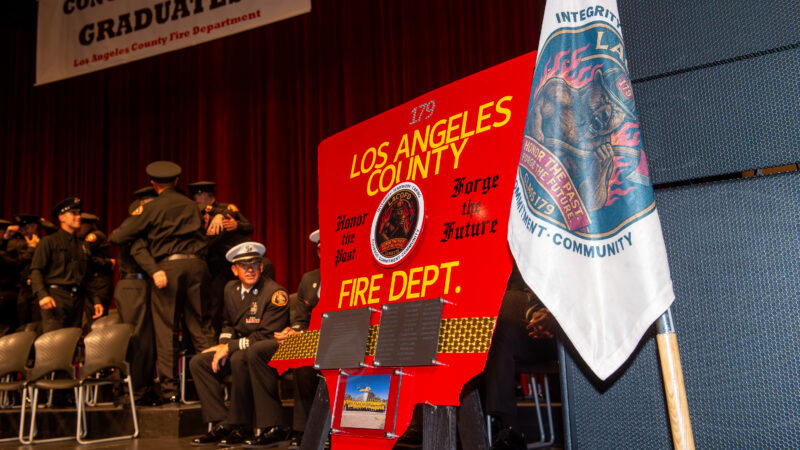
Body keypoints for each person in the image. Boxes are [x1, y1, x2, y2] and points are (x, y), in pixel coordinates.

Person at [109, 161, 215, 403]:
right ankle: (211, 385)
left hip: (169, 268)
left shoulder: (152, 207)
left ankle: (170, 390)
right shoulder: (192, 206)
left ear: (154, 184)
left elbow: (118, 236)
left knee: (166, 330)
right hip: (198, 265)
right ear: (177, 182)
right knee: (200, 328)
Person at [190, 241, 291, 447]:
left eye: (255, 264)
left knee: (240, 357)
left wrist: (231, 347)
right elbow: (228, 325)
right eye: (245, 265)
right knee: (198, 362)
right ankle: (223, 422)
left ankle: (242, 424)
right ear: (234, 270)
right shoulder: (231, 289)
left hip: (266, 351)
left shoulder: (275, 293)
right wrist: (223, 345)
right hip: (241, 347)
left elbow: (267, 335)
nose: (251, 269)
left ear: (262, 268)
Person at [483, 264, 557, 450]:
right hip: (529, 322)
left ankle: (504, 429)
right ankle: (505, 429)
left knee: (499, 314)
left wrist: (549, 313)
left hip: (569, 329)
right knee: (495, 328)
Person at [187, 181, 273, 334]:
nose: (196, 201)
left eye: (197, 197)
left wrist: (233, 223)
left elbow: (248, 226)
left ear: (204, 194)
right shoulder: (214, 214)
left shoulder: (225, 212)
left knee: (256, 301)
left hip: (243, 265)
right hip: (221, 270)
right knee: (219, 306)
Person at [113, 187, 161, 405]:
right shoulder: (137, 221)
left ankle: (143, 388)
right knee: (137, 340)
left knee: (147, 340)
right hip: (135, 284)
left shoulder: (145, 222)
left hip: (145, 284)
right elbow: (138, 250)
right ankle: (132, 391)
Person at [30, 198, 104, 332]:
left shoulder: (82, 246)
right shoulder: (49, 242)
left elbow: (87, 277)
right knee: (54, 343)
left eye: (79, 213)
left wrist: (96, 300)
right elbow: (36, 270)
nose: (78, 217)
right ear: (62, 217)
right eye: (74, 213)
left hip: (76, 299)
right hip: (55, 298)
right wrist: (42, 294)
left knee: (71, 342)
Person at [279, 229, 322, 449]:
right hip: (313, 339)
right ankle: (303, 430)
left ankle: (332, 430)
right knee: (297, 355)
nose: (324, 251)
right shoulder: (310, 279)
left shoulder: (351, 274)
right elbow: (301, 319)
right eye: (320, 248)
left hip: (343, 337)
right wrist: (294, 332)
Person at [79, 213, 115, 316]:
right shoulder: (83, 238)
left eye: (82, 224)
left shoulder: (94, 235)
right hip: (94, 282)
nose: (78, 227)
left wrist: (106, 263)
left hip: (99, 282)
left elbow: (83, 255)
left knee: (97, 320)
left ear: (90, 225)